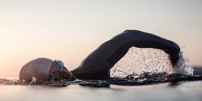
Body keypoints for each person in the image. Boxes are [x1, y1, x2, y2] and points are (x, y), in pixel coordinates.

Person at [19, 30, 180, 81]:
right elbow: (128, 36)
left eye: (60, 62)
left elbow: (128, 36)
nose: (64, 68)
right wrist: (172, 48)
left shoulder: (89, 67)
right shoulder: (92, 70)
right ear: (54, 80)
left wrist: (172, 49)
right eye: (58, 69)